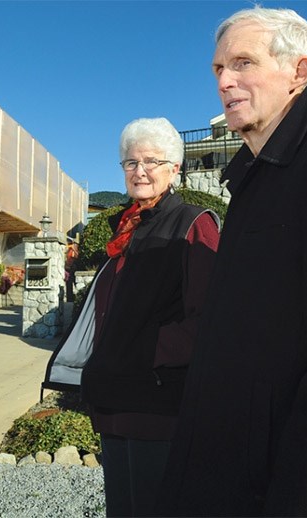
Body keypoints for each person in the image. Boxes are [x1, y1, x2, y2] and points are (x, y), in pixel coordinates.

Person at [155, 7, 307, 517]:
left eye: (244, 63)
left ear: (299, 72)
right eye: (218, 69)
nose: (225, 81)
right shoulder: (255, 182)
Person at [44, 117, 220, 516]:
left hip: (156, 404)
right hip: (115, 399)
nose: (140, 171)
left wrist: (142, 351)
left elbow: (209, 320)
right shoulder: (127, 228)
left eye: (152, 161)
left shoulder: (194, 224)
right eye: (130, 163)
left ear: (175, 168)